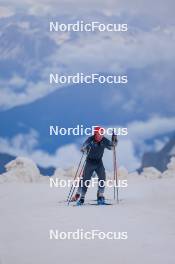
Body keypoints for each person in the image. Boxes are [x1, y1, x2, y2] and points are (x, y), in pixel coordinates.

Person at [71, 126, 118, 205]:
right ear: (95, 134)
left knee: (102, 177)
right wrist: (86, 148)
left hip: (99, 162)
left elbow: (112, 147)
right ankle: (80, 196)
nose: (101, 135)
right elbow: (82, 148)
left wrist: (114, 140)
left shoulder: (104, 140)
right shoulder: (90, 139)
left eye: (102, 134)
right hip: (90, 162)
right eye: (100, 134)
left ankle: (100, 195)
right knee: (85, 179)